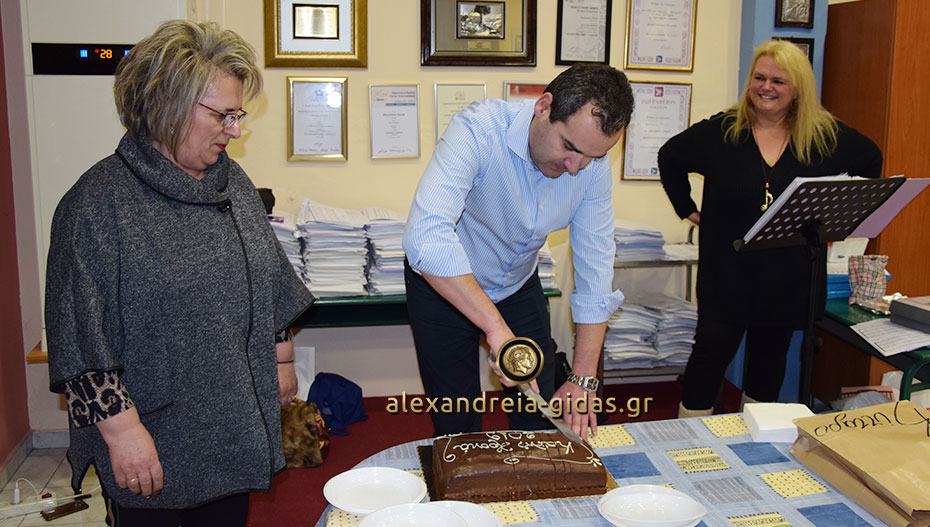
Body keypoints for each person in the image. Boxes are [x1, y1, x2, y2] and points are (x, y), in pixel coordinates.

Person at [45, 20, 314, 526]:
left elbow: (263, 273)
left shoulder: (231, 181)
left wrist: (281, 356)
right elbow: (79, 338)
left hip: (231, 418)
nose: (235, 130)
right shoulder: (97, 205)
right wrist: (123, 433)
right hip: (151, 434)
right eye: (222, 115)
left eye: (238, 115)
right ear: (164, 105)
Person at [403, 64, 635, 438]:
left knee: (539, 413)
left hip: (516, 282)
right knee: (457, 419)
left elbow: (596, 268)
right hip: (444, 285)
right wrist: (494, 327)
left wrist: (584, 378)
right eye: (570, 147)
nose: (576, 167)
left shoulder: (590, 164)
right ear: (543, 107)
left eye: (592, 156)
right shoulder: (478, 130)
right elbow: (425, 238)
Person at [657, 39, 883, 417]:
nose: (766, 87)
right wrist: (689, 210)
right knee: (709, 355)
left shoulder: (825, 137)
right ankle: (686, 442)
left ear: (798, 89)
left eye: (778, 81)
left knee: (769, 362)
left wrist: (841, 217)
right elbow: (670, 156)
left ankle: (753, 442)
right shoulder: (721, 132)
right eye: (759, 78)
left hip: (788, 275)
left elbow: (871, 158)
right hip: (727, 273)